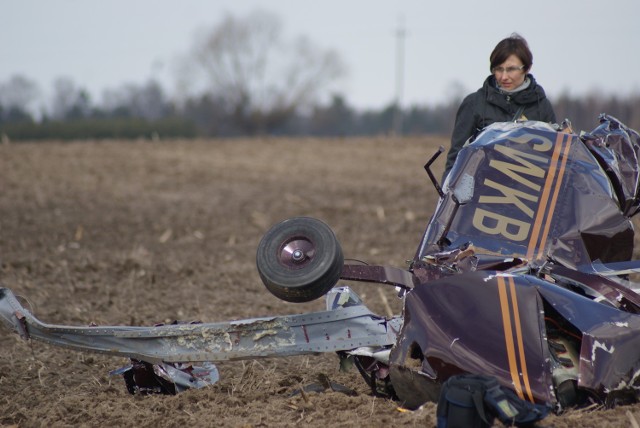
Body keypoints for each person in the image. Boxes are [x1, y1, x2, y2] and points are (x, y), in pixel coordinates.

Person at [442, 33, 557, 180]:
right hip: (482, 196)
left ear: (527, 68)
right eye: (498, 69)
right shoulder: (474, 104)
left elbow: (553, 161)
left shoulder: (542, 107)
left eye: (511, 69)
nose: (504, 77)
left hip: (527, 197)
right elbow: (456, 160)